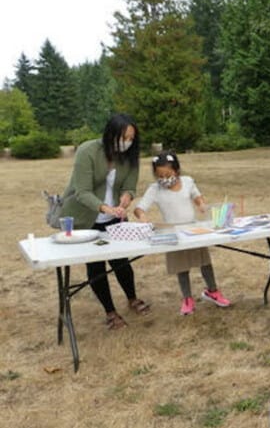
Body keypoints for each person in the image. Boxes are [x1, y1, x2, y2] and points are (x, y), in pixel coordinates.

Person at [58, 113, 150, 330]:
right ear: (111, 134)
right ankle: (110, 312)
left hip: (115, 217)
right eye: (123, 137)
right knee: (96, 266)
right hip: (88, 217)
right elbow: (82, 192)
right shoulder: (88, 151)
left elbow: (129, 186)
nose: (127, 142)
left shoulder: (130, 156)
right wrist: (104, 207)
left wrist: (126, 198)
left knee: (122, 262)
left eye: (131, 138)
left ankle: (132, 298)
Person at [134, 151, 231, 315]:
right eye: (160, 175)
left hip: (193, 230)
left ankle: (212, 291)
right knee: (182, 267)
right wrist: (142, 215)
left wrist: (201, 204)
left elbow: (197, 196)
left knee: (204, 261)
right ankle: (187, 298)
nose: (164, 178)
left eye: (168, 174)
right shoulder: (155, 189)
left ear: (177, 171)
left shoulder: (187, 181)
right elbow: (139, 208)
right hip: (173, 233)